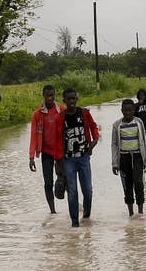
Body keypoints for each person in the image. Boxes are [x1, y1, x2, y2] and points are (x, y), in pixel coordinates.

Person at [53, 87, 100, 227]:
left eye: (74, 98)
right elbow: (57, 140)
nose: (72, 101)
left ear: (76, 99)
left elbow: (94, 127)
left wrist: (94, 141)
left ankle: (86, 215)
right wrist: (58, 162)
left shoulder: (84, 113)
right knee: (72, 190)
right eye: (69, 99)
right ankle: (74, 223)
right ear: (64, 101)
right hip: (68, 160)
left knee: (88, 190)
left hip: (84, 157)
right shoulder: (60, 118)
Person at [110, 98, 146, 218]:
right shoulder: (117, 125)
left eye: (130, 110)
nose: (128, 113)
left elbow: (144, 140)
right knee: (127, 186)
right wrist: (115, 163)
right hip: (124, 158)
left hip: (137, 157)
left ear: (134, 110)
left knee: (138, 183)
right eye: (125, 110)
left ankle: (141, 212)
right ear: (121, 110)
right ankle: (131, 213)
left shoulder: (139, 122)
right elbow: (114, 144)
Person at [28, 84, 64, 214]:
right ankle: (53, 211)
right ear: (43, 96)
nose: (50, 98)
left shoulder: (61, 110)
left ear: (55, 96)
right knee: (48, 182)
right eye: (47, 96)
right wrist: (31, 157)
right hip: (46, 153)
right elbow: (33, 135)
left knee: (64, 179)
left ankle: (73, 204)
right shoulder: (37, 114)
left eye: (52, 96)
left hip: (60, 152)